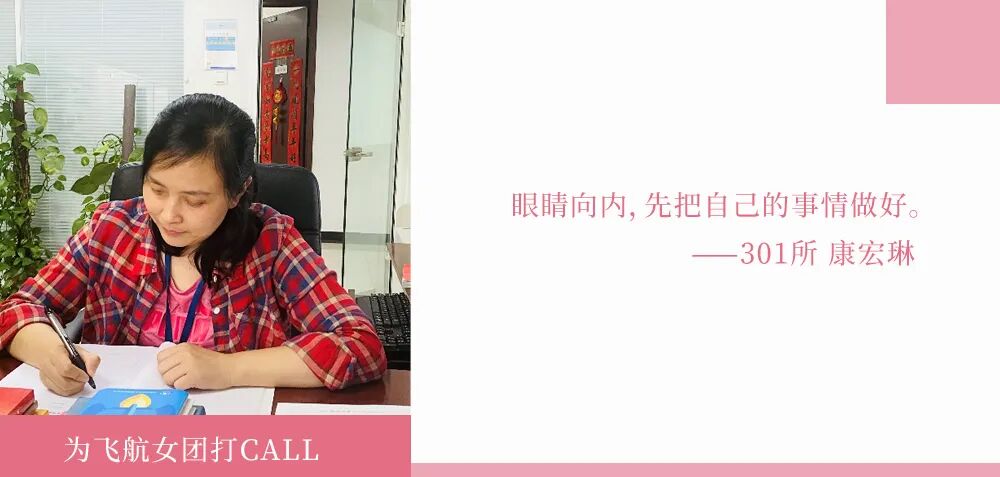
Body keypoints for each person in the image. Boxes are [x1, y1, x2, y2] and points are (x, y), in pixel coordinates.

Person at [0, 93, 385, 397]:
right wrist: (51, 354)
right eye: (157, 189)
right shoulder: (112, 229)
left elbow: (360, 345)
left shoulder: (273, 242)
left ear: (237, 193)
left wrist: (228, 369)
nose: (169, 215)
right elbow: (17, 310)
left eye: (195, 201)